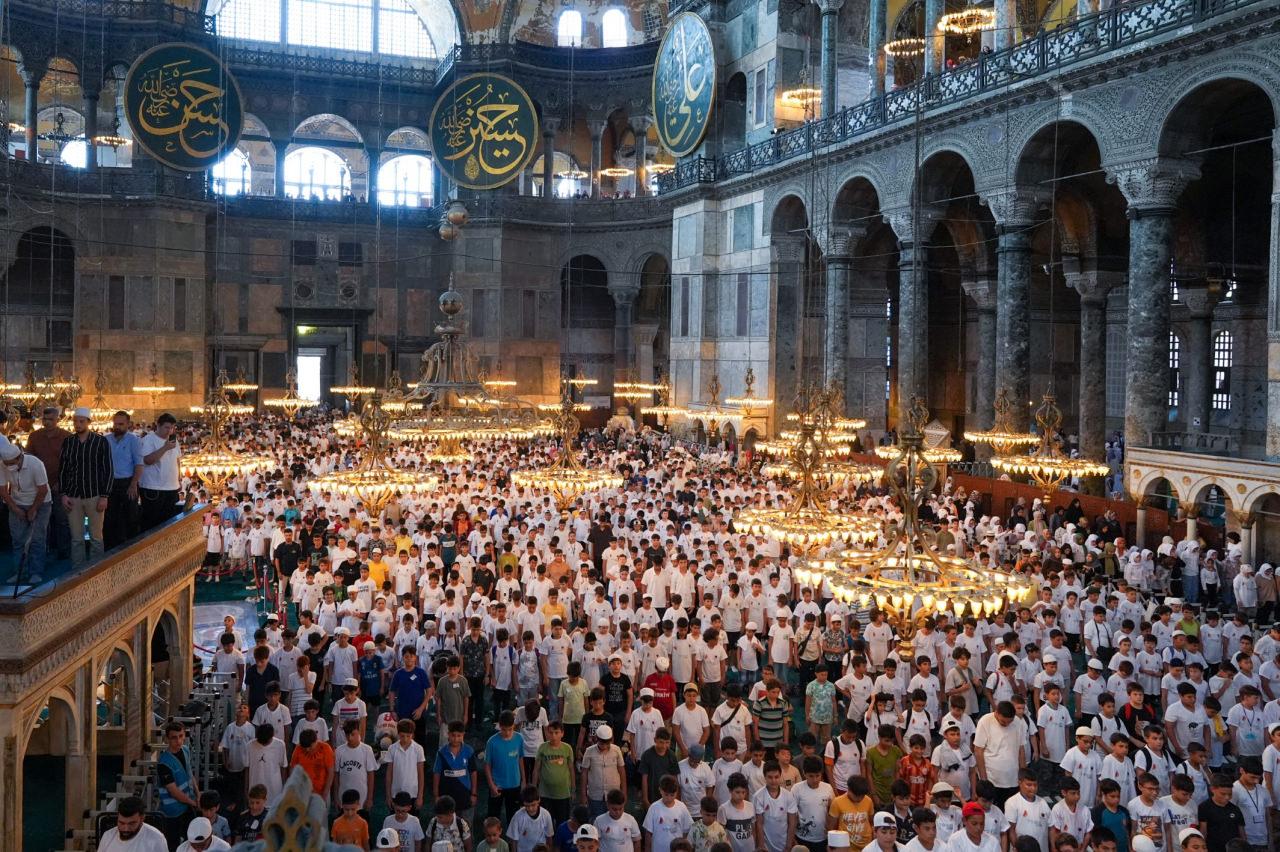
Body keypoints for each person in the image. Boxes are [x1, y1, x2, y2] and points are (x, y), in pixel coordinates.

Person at [58, 406, 112, 568]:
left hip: (94, 495)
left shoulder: (100, 441)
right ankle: (78, 571)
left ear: (88, 422)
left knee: (96, 537)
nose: (77, 424)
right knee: (76, 539)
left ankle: (96, 569)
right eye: (75, 421)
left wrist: (104, 496)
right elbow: (63, 469)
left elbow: (108, 469)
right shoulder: (68, 442)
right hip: (73, 496)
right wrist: (63, 494)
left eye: (81, 421)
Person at [1, 439, 51, 582]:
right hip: (17, 502)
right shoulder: (2, 465)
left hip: (41, 502)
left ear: (19, 458)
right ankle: (20, 572)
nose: (8, 466)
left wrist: (33, 509)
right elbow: (3, 490)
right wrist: (15, 508)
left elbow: (43, 490)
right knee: (18, 539)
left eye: (11, 463)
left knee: (36, 539)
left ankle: (36, 572)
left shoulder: (36, 464)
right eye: (6, 464)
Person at [25, 405, 70, 560]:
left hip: (59, 486)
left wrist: (61, 482)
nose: (47, 422)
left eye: (51, 419)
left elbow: (70, 463)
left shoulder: (67, 437)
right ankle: (45, 550)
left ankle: (63, 550)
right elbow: (29, 459)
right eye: (45, 419)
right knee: (42, 522)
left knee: (61, 519)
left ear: (57, 420)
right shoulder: (34, 436)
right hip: (40, 486)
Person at [102, 410, 143, 550]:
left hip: (128, 483)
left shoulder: (134, 440)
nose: (118, 427)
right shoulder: (106, 440)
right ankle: (110, 552)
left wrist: (133, 484)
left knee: (131, 517)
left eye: (121, 424)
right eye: (116, 424)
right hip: (110, 484)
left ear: (128, 424)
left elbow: (139, 464)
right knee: (109, 518)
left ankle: (132, 550)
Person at [138, 412, 182, 532]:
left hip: (171, 488)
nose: (169, 431)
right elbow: (147, 460)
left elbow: (177, 460)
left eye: (172, 428)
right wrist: (165, 448)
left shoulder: (174, 441)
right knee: (152, 523)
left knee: (169, 523)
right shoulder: (149, 440)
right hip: (153, 488)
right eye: (167, 427)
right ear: (158, 425)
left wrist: (179, 478)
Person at [98, 795, 168, 852]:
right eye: (121, 823)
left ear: (142, 819)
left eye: (131, 824)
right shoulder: (108, 836)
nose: (126, 829)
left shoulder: (156, 839)